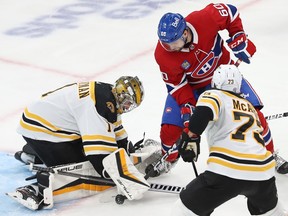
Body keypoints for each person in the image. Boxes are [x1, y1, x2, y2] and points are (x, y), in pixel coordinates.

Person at [152, 3, 288, 176]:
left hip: (223, 78)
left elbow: (230, 13)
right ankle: (168, 158)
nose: (170, 48)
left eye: (175, 43)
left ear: (185, 32)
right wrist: (188, 106)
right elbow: (177, 85)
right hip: (192, 87)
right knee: (170, 130)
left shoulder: (203, 18)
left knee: (256, 116)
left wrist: (237, 34)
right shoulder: (162, 54)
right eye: (166, 43)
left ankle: (269, 154)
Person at [7, 76, 153, 210]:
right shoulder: (99, 106)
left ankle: (35, 155)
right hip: (42, 130)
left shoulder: (108, 94)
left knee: (88, 153)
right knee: (82, 166)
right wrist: (118, 175)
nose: (128, 108)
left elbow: (115, 130)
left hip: (43, 122)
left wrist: (126, 149)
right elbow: (99, 158)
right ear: (121, 95)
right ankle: (36, 190)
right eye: (128, 103)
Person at [171, 64, 288, 216]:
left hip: (226, 170)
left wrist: (190, 137)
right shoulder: (250, 107)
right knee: (273, 213)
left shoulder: (213, 95)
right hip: (262, 173)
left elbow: (200, 117)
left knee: (182, 211)